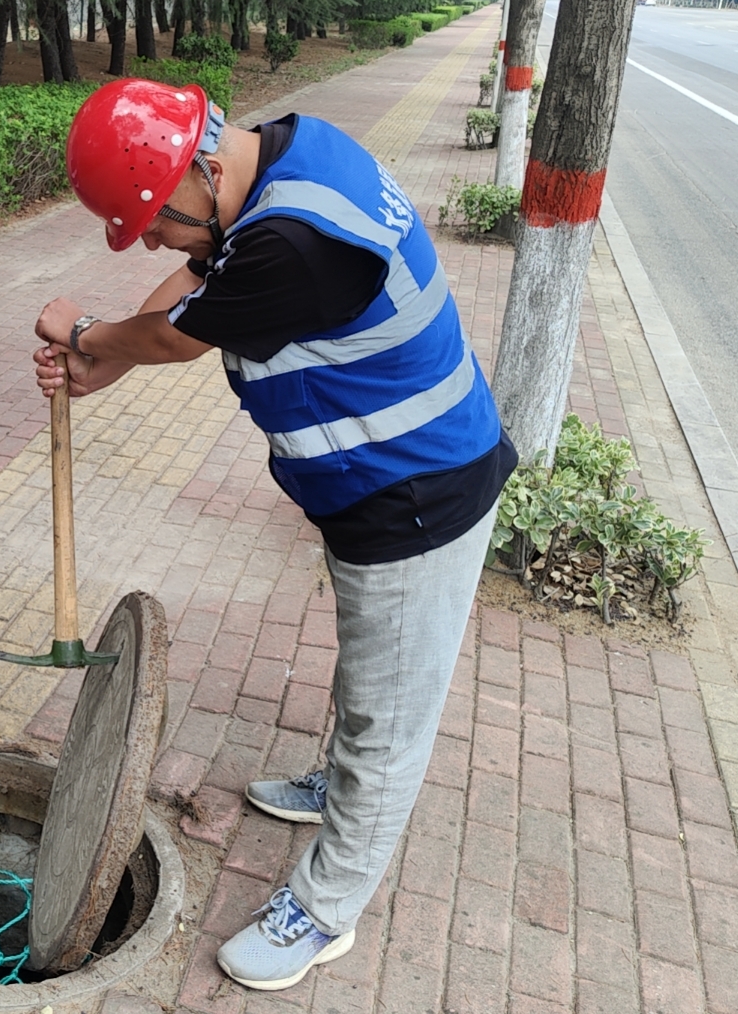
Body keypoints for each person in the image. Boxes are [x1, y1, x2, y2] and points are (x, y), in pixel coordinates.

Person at [33, 80, 516, 990]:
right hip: (376, 486)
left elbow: (181, 333)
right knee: (367, 666)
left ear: (203, 170)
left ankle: (327, 906)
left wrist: (86, 332)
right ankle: (336, 786)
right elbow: (200, 278)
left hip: (417, 497)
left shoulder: (295, 243)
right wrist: (106, 363)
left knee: (387, 718)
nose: (151, 241)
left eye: (153, 223)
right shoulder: (280, 158)